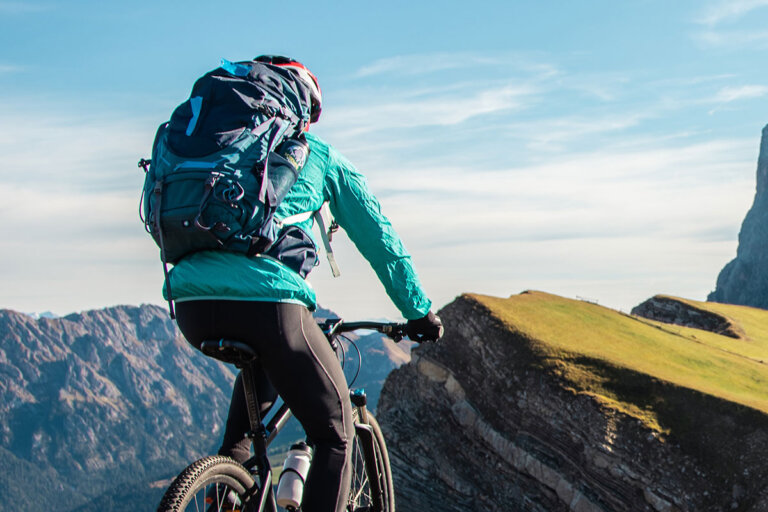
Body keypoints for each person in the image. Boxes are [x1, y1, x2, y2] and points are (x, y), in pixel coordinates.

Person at [168, 55, 443, 512]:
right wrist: (418, 311)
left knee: (239, 445)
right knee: (335, 435)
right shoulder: (318, 155)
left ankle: (228, 491)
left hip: (191, 304)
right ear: (305, 110)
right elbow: (379, 238)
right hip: (270, 307)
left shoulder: (216, 148)